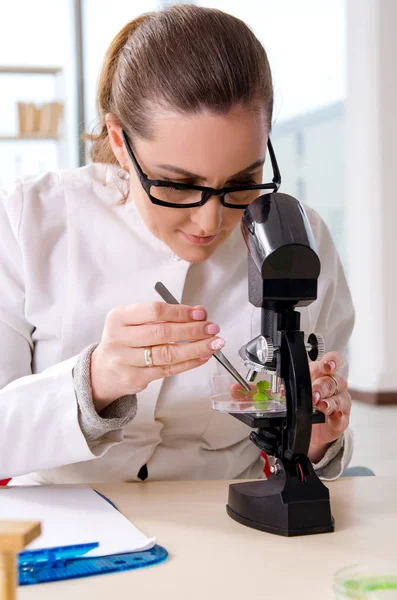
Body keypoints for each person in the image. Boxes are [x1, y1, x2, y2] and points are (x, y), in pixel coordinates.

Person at [0, 4, 354, 486]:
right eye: (176, 184)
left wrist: (315, 437)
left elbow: (323, 442)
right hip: (64, 530)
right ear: (120, 142)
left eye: (242, 180)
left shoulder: (297, 238)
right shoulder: (27, 221)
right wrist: (96, 379)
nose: (211, 220)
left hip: (228, 527)